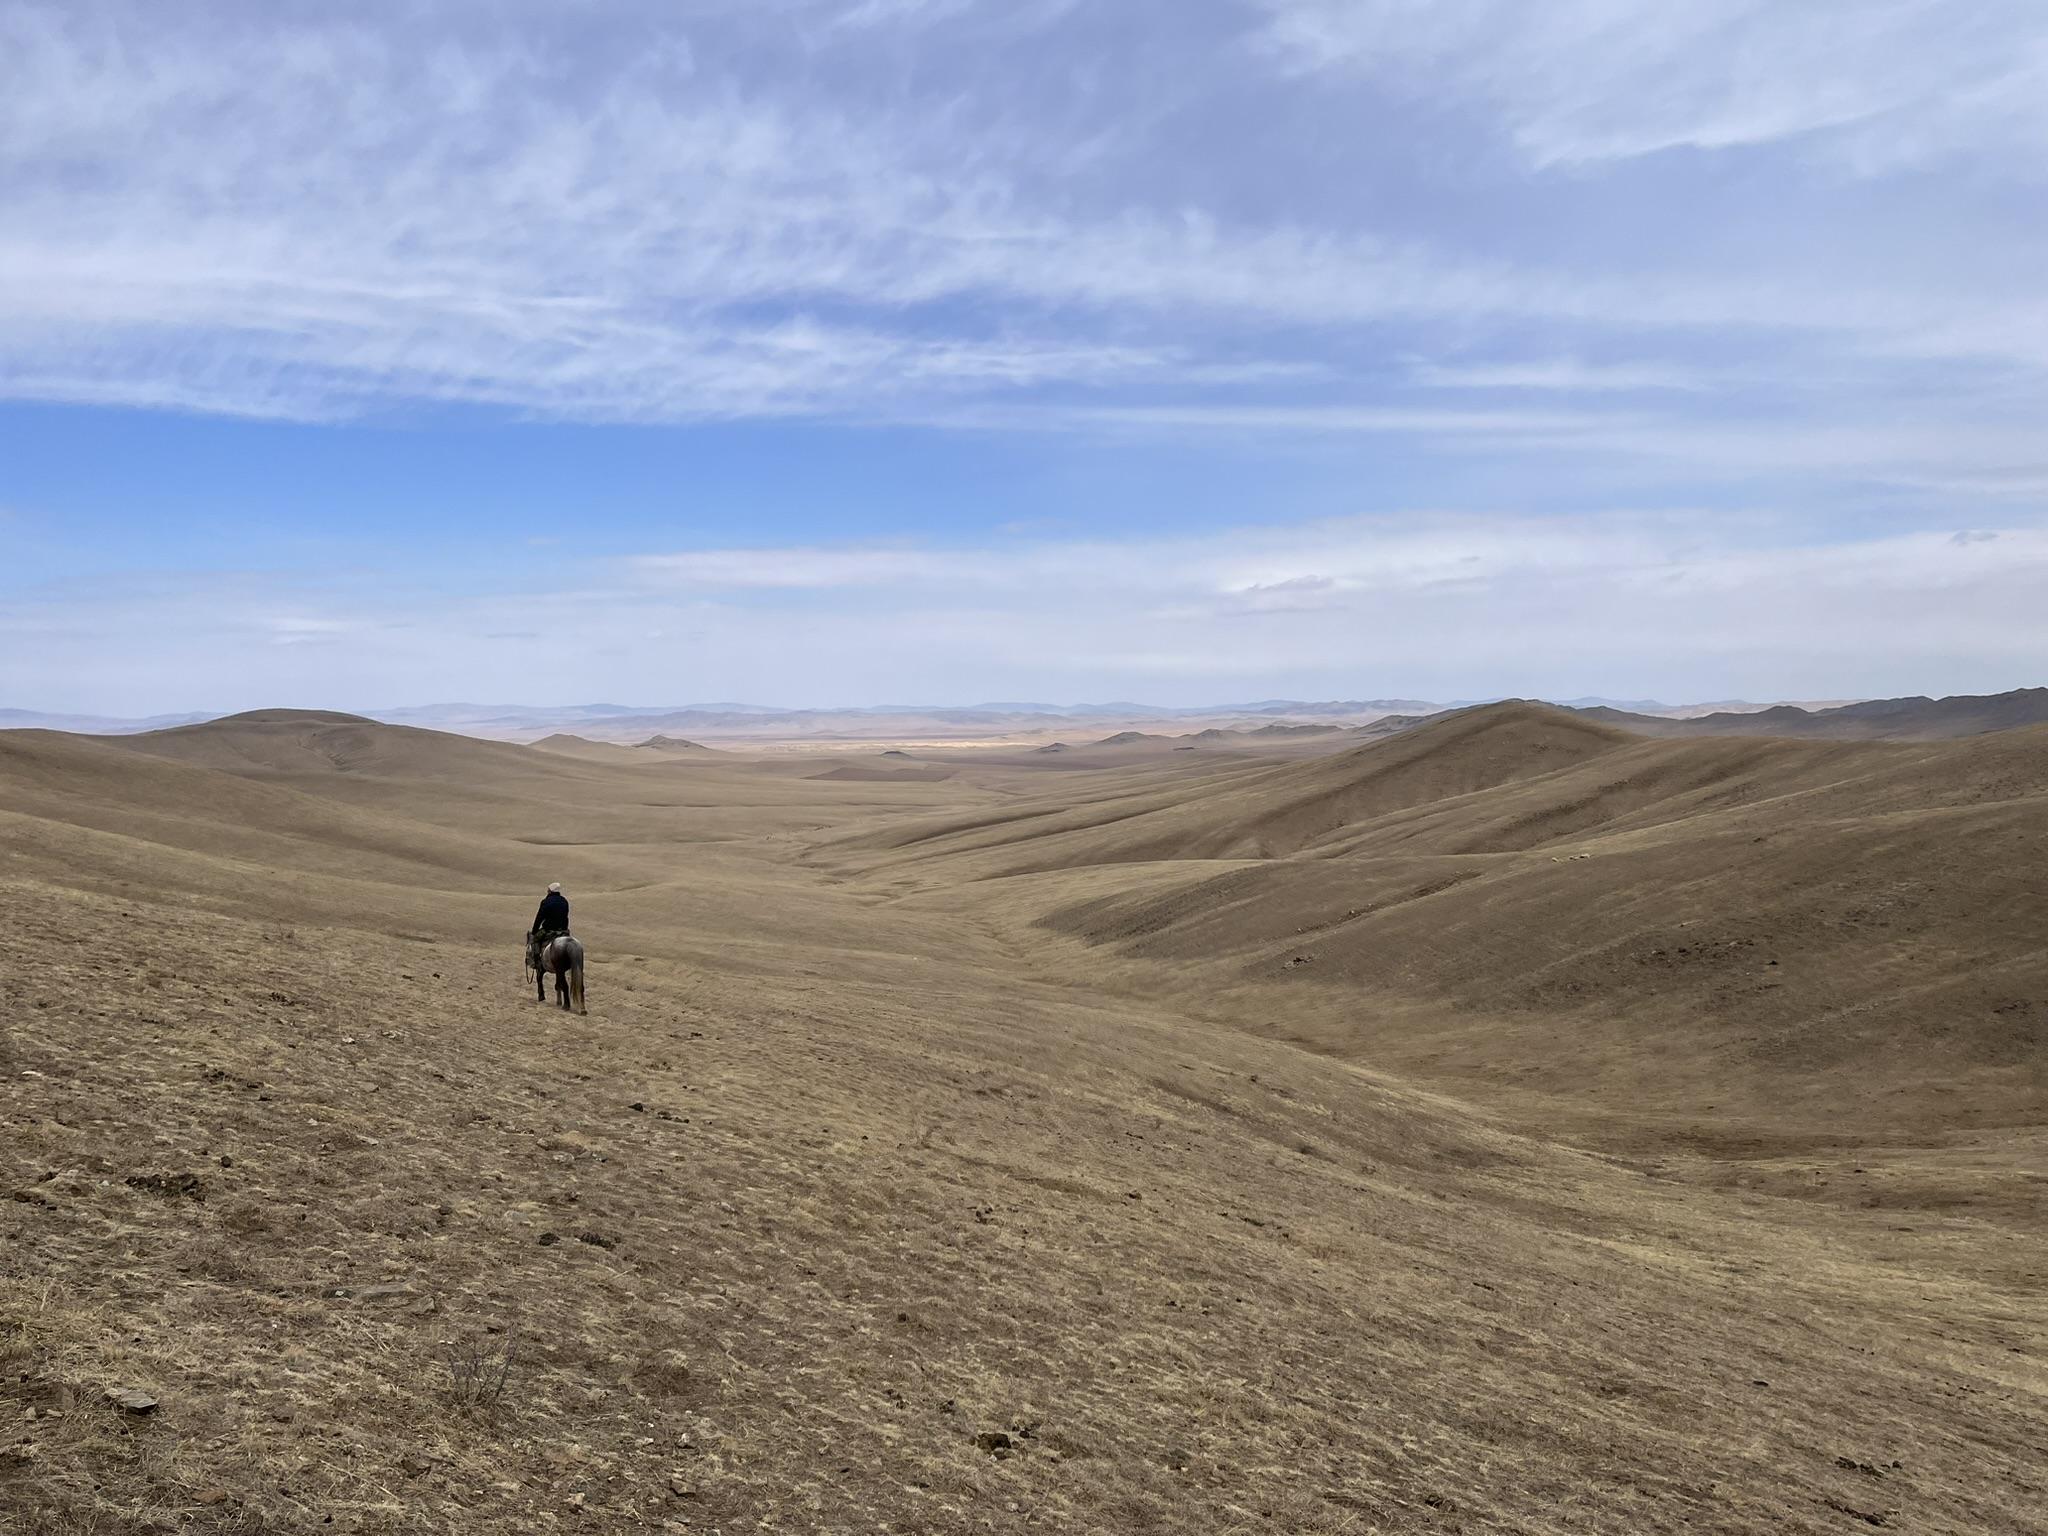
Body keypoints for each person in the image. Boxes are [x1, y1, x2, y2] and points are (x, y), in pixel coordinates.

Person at [529, 882, 570, 967]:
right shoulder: (564, 901)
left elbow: (539, 918)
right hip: (563, 930)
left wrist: (534, 932)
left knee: (535, 940)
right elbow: (566, 916)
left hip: (549, 929)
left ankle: (537, 962)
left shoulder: (546, 902)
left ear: (550, 891)